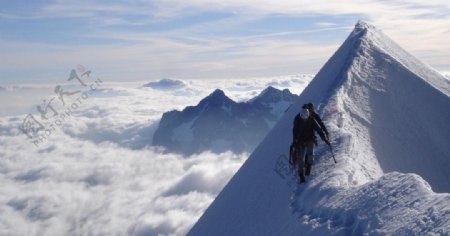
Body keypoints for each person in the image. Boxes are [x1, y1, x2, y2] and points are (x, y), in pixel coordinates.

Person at [292, 107, 330, 183]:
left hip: (310, 138)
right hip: (300, 140)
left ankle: (308, 166)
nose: (304, 119)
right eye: (303, 118)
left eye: (306, 118)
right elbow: (294, 132)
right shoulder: (298, 121)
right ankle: (301, 175)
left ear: (308, 116)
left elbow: (319, 129)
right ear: (301, 116)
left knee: (310, 153)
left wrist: (324, 138)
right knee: (300, 158)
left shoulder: (312, 120)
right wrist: (295, 142)